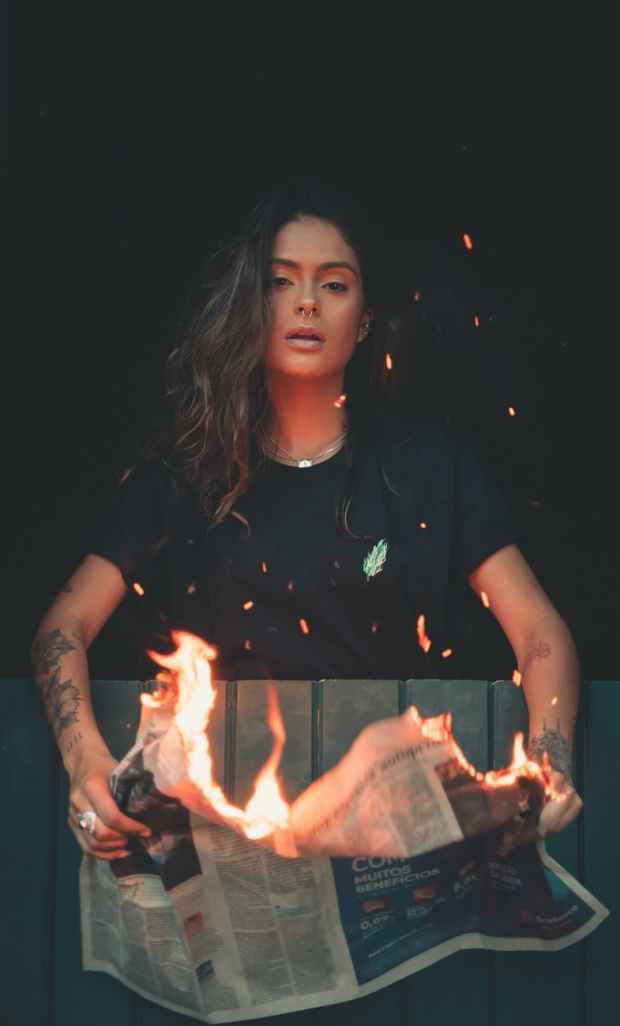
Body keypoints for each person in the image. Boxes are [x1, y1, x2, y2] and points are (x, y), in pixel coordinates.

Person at [30, 174, 583, 865]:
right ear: (249, 305)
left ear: (365, 320)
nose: (306, 304)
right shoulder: (180, 477)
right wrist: (86, 762)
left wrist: (548, 761)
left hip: (391, 842)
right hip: (222, 843)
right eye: (280, 281)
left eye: (334, 284)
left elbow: (539, 633)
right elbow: (63, 627)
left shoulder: (429, 472)